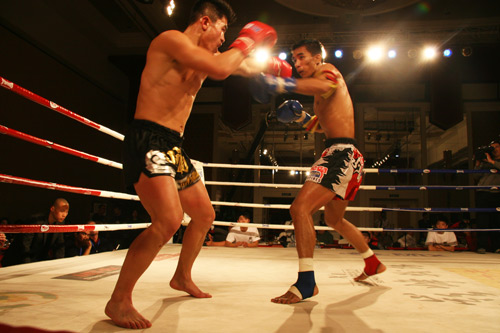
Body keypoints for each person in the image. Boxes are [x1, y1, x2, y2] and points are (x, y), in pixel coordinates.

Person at [104, 0, 284, 328]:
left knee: (204, 215)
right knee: (169, 220)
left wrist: (275, 68)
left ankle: (182, 277)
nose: (223, 38)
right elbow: (221, 67)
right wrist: (246, 41)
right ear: (205, 22)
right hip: (148, 139)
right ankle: (118, 301)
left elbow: (238, 67)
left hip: (174, 147)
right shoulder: (171, 41)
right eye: (222, 29)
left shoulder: (209, 58)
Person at [251, 39, 386, 304]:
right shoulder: (318, 92)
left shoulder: (327, 70)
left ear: (317, 57)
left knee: (299, 209)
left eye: (302, 57)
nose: (297, 64)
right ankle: (372, 262)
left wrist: (280, 84)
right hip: (343, 153)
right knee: (335, 221)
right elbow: (323, 126)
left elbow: (326, 85)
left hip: (341, 154)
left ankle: (306, 282)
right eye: (294, 59)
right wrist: (301, 118)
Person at [1, 198, 69, 267]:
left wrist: (59, 265)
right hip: (16, 260)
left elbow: (59, 246)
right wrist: (28, 267)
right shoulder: (35, 220)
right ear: (52, 209)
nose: (64, 215)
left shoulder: (59, 223)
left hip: (37, 261)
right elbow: (24, 245)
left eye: (67, 212)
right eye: (62, 211)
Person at [473, 137, 500, 254]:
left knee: (496, 220)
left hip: (496, 193)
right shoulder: (485, 162)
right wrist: (478, 163)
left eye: (497, 147)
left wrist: (492, 162)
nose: (494, 149)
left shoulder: (494, 162)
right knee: (482, 220)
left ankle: (497, 246)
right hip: (482, 192)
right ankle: (481, 246)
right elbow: (475, 177)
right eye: (492, 148)